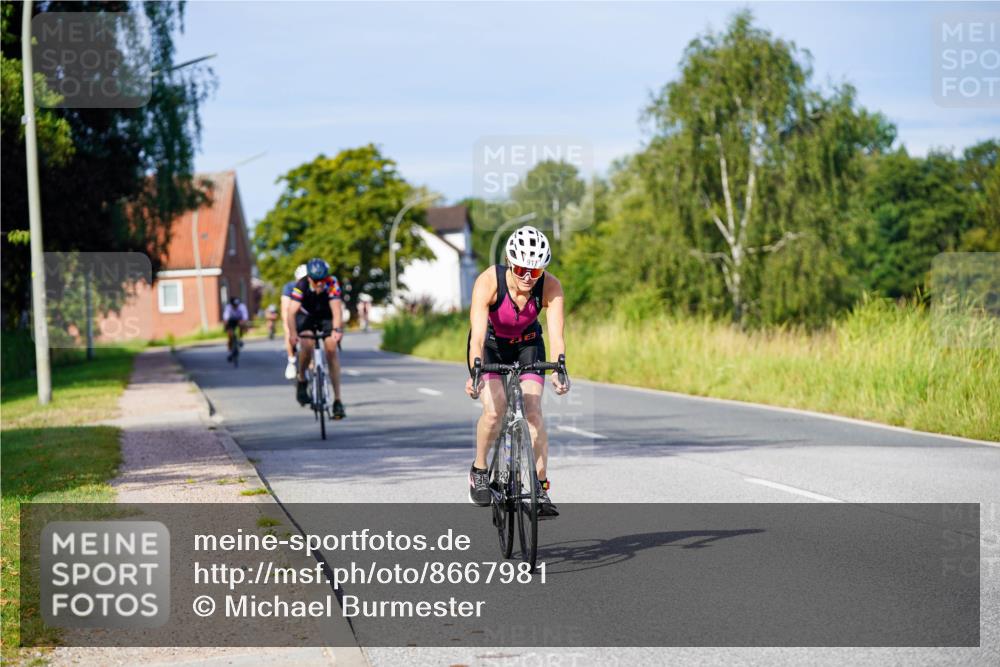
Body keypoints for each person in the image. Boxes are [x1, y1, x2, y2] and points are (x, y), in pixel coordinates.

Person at [465, 226, 569, 516]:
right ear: (511, 262)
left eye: (534, 272)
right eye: (522, 268)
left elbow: (557, 335)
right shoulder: (489, 281)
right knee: (495, 410)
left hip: (528, 344)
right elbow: (476, 336)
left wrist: (560, 369)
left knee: (533, 411)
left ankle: (540, 488)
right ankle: (480, 470)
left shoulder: (551, 286)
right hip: (491, 345)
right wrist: (475, 372)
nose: (527, 277)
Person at [287, 258, 346, 418]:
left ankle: (338, 401)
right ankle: (301, 379)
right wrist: (292, 334)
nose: (320, 283)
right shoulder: (301, 285)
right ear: (310, 278)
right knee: (306, 344)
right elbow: (291, 312)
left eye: (322, 279)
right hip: (306, 317)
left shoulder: (332, 282)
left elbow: (336, 310)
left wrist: (337, 329)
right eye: (316, 280)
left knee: (332, 349)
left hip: (326, 316)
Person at [281, 264, 308, 380]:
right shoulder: (290, 287)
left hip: (306, 317)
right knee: (289, 334)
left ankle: (308, 365)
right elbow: (285, 309)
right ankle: (291, 360)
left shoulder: (313, 287)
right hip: (292, 316)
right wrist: (289, 328)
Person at [222, 296, 250, 362]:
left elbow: (245, 317)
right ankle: (230, 344)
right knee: (230, 333)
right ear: (231, 304)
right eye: (234, 305)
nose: (236, 306)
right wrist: (226, 327)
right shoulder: (228, 308)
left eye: (237, 305)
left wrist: (243, 323)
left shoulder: (242, 307)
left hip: (239, 320)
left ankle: (240, 338)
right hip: (231, 321)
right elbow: (226, 318)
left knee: (242, 325)